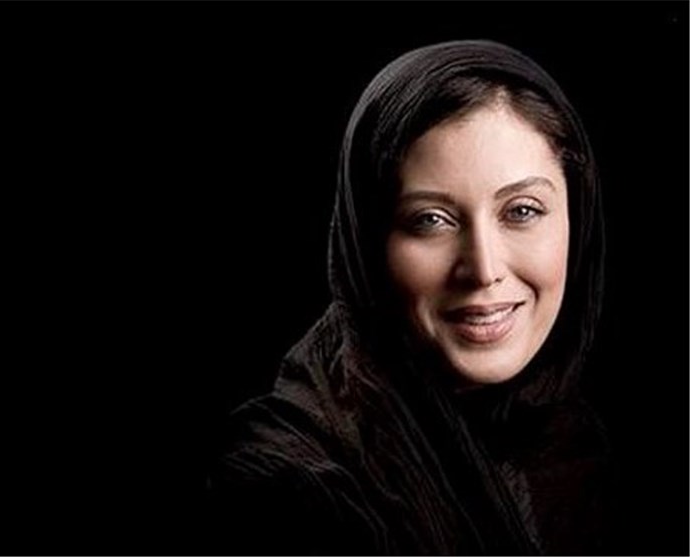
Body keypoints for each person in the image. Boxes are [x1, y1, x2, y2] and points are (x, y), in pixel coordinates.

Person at [207, 40, 610, 555]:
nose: (484, 269)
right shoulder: (283, 492)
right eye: (431, 220)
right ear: (367, 241)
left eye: (522, 211)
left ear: (578, 215)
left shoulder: (579, 444)